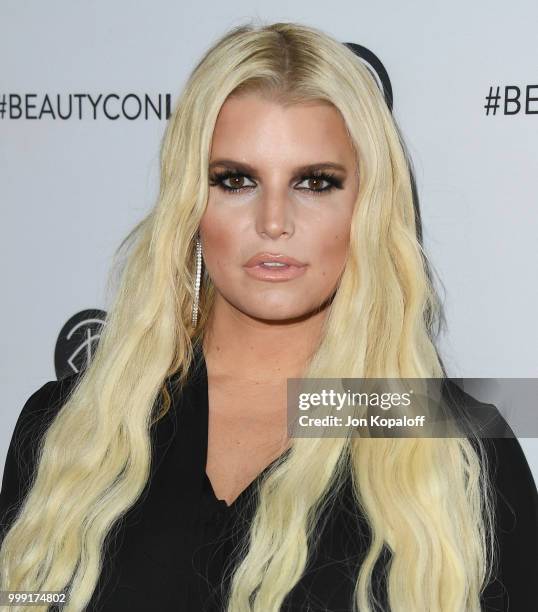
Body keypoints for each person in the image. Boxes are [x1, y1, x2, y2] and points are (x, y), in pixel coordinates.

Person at [1, 20, 537, 612]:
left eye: (314, 182)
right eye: (236, 180)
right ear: (191, 204)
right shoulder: (72, 430)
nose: (274, 220)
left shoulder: (454, 447)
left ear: (367, 206)